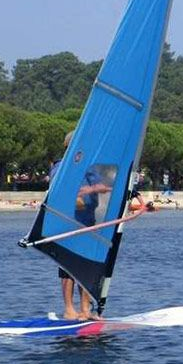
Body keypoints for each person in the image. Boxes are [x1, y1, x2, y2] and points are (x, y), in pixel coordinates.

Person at [50, 130, 111, 320]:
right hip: (67, 224)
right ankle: (69, 309)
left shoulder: (89, 168)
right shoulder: (61, 167)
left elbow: (105, 187)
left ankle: (85, 309)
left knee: (88, 265)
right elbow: (57, 192)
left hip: (89, 224)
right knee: (68, 267)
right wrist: (75, 196)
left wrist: (91, 189)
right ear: (70, 147)